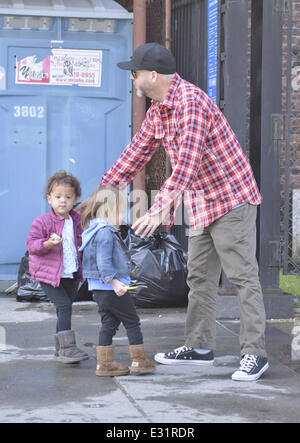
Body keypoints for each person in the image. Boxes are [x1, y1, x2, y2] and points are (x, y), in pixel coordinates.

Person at [93, 42, 269, 382]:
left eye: (135, 73)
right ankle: (199, 346)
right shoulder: (158, 110)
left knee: (242, 275)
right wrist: (103, 192)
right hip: (201, 200)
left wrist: (159, 211)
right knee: (199, 277)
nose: (132, 78)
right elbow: (136, 153)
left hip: (231, 198)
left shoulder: (191, 103)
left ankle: (255, 353)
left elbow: (186, 167)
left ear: (153, 75)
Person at [79, 185, 156, 377]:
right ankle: (140, 361)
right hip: (113, 288)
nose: (123, 216)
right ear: (108, 211)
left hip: (99, 290)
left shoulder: (93, 231)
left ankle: (104, 364)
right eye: (121, 211)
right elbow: (103, 262)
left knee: (108, 324)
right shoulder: (105, 232)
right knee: (132, 322)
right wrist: (114, 283)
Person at [26, 170, 89, 364]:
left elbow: (82, 243)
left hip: (70, 272)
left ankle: (60, 350)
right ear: (49, 198)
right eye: (58, 196)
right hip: (49, 274)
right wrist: (48, 244)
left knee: (63, 309)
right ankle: (67, 349)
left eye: (68, 197)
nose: (63, 201)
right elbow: (32, 245)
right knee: (64, 306)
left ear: (76, 199)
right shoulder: (42, 222)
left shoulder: (77, 221)